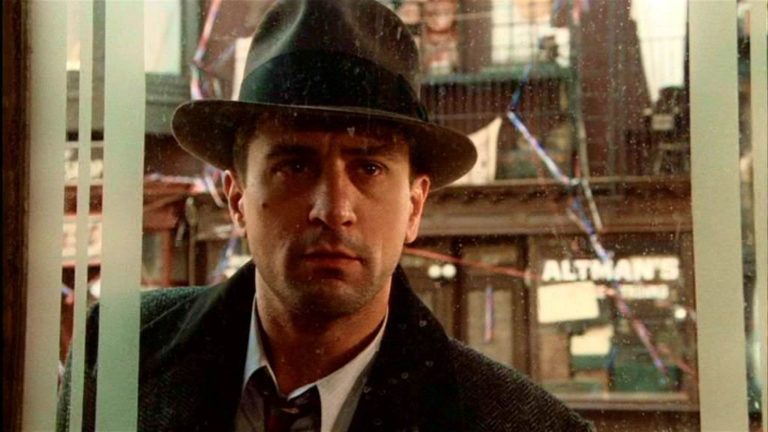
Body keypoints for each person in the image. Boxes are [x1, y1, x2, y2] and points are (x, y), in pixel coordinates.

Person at [58, 1, 593, 431]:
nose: (333, 209)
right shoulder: (120, 350)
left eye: (369, 168)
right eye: (294, 165)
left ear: (414, 206)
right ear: (236, 196)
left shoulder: (523, 424)